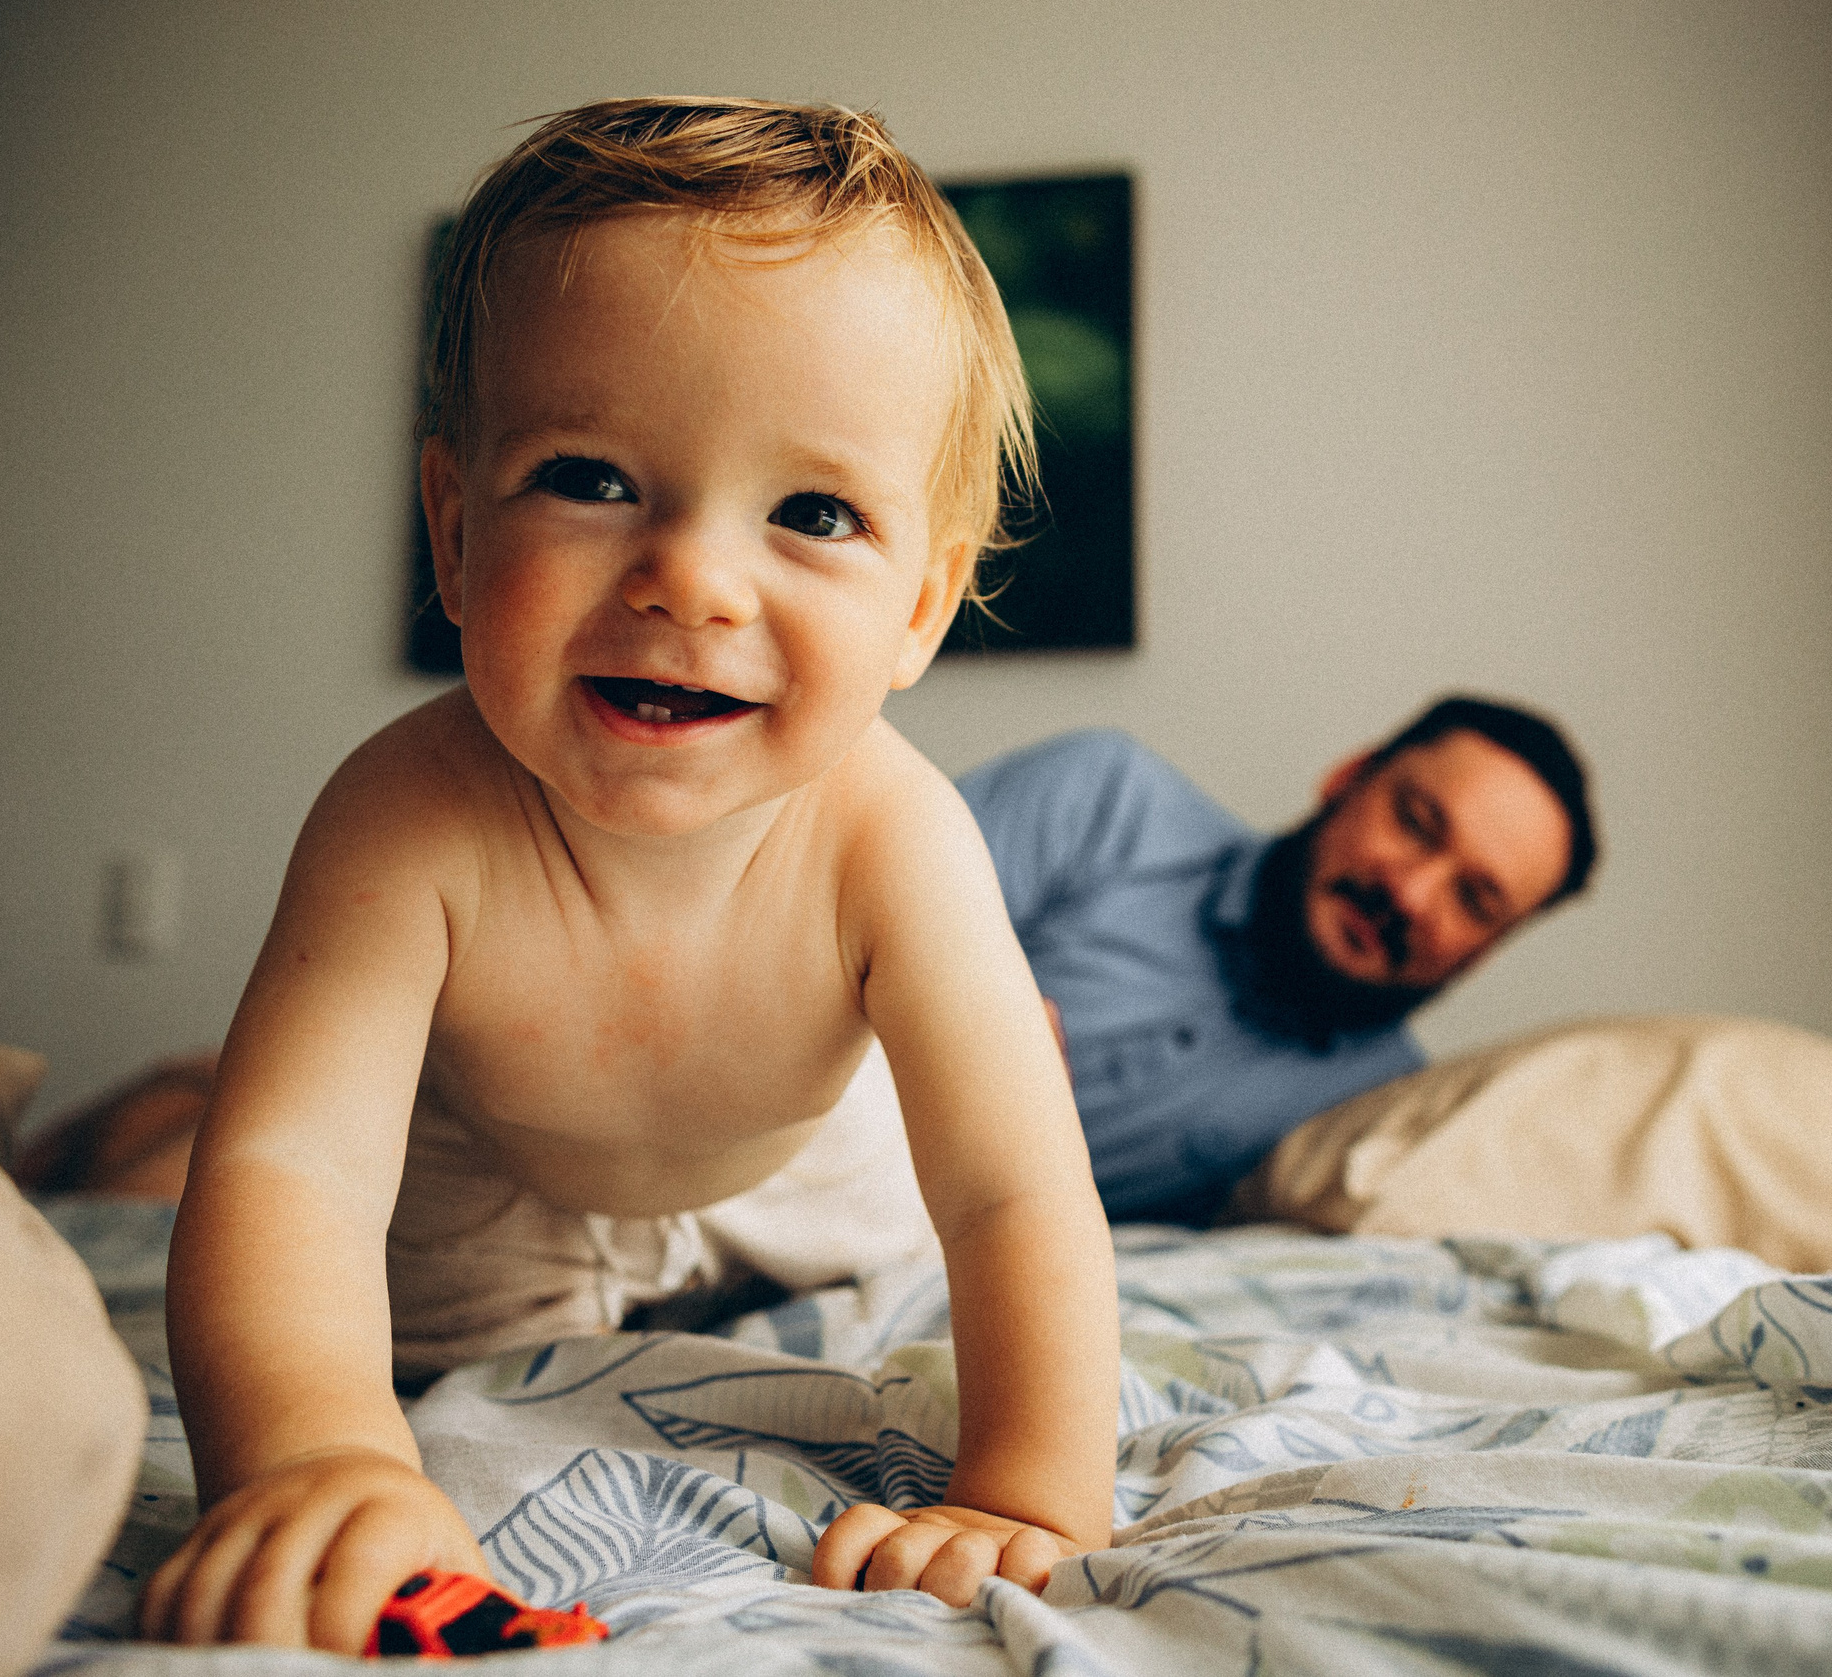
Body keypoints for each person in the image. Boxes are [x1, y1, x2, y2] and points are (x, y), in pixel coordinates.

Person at [139, 99, 1117, 1653]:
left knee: (913, 1252)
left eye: (812, 511)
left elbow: (1010, 1192)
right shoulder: (406, 814)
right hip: (493, 1192)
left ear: (923, 608)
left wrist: (1030, 1486)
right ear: (454, 533)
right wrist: (317, 1457)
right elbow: (294, 1177)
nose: (694, 580)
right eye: (590, 476)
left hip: (815, 1170)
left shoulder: (898, 833)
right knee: (313, 1268)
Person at [957, 698, 1596, 1225]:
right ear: (1348, 777)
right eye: (1416, 823)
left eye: (1474, 900)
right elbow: (858, 933)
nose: (1410, 895)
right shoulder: (1107, 800)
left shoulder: (1383, 1123)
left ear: (1482, 954)